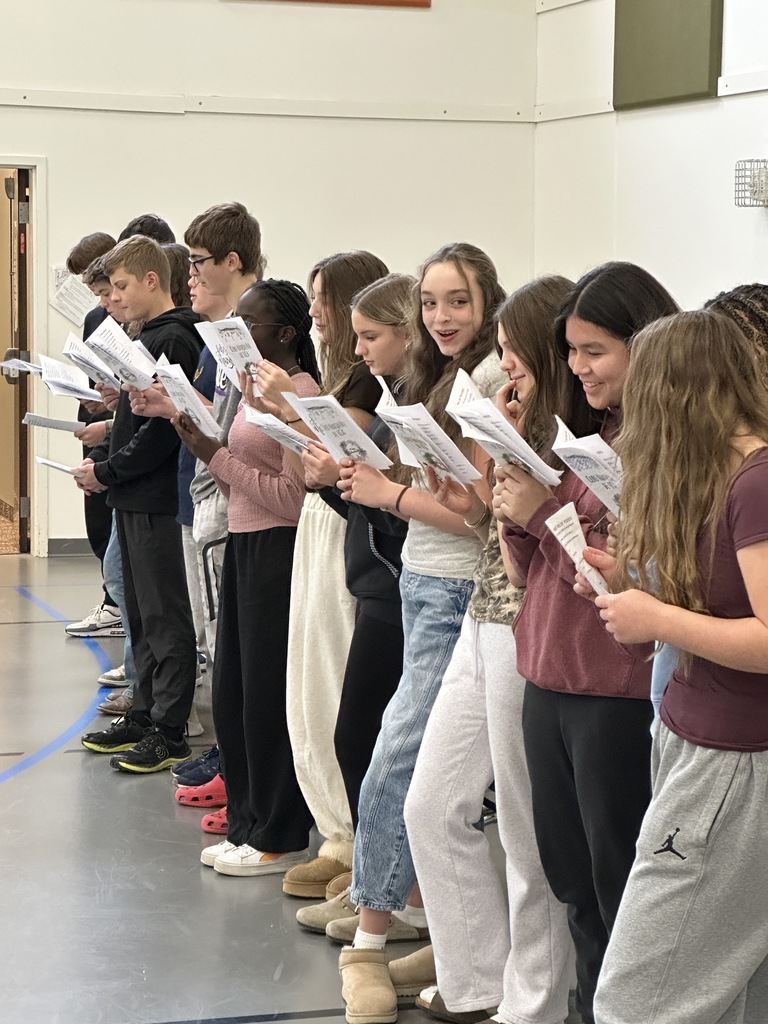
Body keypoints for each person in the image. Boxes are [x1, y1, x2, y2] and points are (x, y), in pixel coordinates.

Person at [492, 261, 678, 1024]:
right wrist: (516, 494)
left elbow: (626, 580)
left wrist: (542, 514)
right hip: (548, 677)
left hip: (614, 691)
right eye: (570, 351)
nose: (578, 367)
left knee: (617, 883)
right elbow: (529, 569)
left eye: (595, 350)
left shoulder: (665, 452)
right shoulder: (590, 439)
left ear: (647, 344)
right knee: (570, 879)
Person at [577, 310, 768, 1024]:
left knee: (636, 999)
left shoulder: (756, 482)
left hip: (734, 758)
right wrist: (632, 586)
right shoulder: (721, 476)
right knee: (726, 993)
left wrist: (658, 619)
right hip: (697, 737)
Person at [333, 243, 506, 1024]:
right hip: (424, 579)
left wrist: (387, 493)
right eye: (430, 303)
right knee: (430, 775)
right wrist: (382, 480)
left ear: (487, 301)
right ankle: (444, 934)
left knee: (400, 761)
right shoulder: (440, 378)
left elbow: (478, 513)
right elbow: (450, 491)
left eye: (457, 301)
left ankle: (369, 938)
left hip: (458, 587)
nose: (441, 316)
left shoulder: (489, 381)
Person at [402, 277, 579, 1024]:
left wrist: (511, 476)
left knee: (525, 830)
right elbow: (501, 540)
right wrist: (486, 481)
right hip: (486, 611)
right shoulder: (519, 418)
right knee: (430, 804)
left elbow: (558, 553)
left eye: (513, 351)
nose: (504, 366)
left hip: (530, 628)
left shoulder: (575, 433)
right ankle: (476, 983)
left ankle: (532, 1003)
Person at [172, 279, 321, 876]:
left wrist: (214, 455)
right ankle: (248, 823)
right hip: (244, 543)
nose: (237, 331)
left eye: (250, 323)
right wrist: (209, 447)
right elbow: (239, 475)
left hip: (277, 551)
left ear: (285, 333)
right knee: (233, 693)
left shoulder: (299, 394)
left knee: (265, 696)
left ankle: (279, 834)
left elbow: (292, 498)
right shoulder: (252, 387)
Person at [254, 251, 389, 899]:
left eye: (321, 300)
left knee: (335, 674)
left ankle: (352, 834)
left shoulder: (364, 385)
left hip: (344, 532)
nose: (315, 314)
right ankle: (335, 830)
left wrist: (290, 410)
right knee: (307, 674)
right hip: (319, 523)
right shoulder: (338, 376)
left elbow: (344, 462)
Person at [294, 273, 414, 936]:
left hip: (405, 583)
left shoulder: (405, 401)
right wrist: (340, 482)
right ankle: (380, 887)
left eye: (372, 336)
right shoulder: (393, 395)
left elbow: (420, 510)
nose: (361, 350)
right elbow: (375, 506)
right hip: (383, 576)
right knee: (361, 739)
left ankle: (388, 895)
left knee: (373, 743)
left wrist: (366, 486)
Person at [77, 235, 202, 773]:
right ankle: (147, 711)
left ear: (153, 281)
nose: (115, 297)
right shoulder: (145, 335)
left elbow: (162, 433)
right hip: (132, 496)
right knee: (141, 615)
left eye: (122, 286)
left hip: (155, 498)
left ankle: (171, 729)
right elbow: (135, 417)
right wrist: (106, 460)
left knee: (164, 614)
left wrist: (109, 470)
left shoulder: (173, 337)